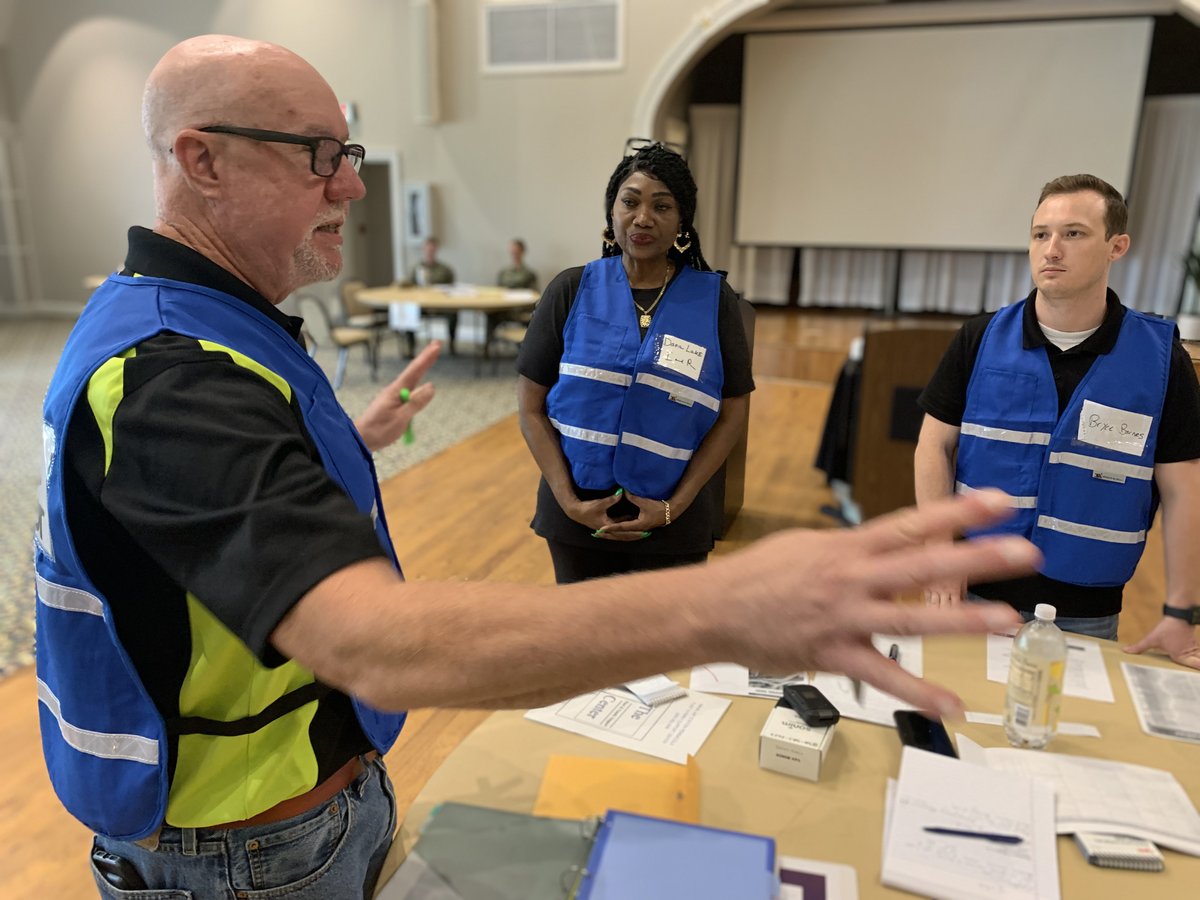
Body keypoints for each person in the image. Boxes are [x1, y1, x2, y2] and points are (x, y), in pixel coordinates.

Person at [36, 36, 1038, 899]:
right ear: (200, 160)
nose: (349, 184)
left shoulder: (202, 326)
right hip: (243, 846)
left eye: (349, 153)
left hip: (298, 805)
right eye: (318, 156)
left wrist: (342, 438)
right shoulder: (167, 371)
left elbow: (195, 514)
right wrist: (732, 603)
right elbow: (376, 646)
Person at [915, 174, 1200, 667]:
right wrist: (941, 557)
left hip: (1086, 610)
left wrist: (1181, 610)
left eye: (1073, 233)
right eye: (1040, 234)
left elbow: (1184, 490)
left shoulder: (1160, 362)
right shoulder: (979, 338)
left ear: (1117, 246)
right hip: (973, 592)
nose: (1052, 249)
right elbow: (933, 448)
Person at [516, 144, 754, 583]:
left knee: (666, 647)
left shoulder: (714, 300)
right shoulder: (570, 290)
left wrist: (674, 507)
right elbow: (531, 405)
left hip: (673, 518)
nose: (642, 217)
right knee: (582, 639)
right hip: (578, 514)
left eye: (662, 206)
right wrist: (569, 502)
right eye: (630, 202)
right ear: (612, 213)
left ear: (681, 221)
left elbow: (733, 408)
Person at [408, 235, 457, 352]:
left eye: (432, 248)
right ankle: (410, 346)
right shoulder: (416, 268)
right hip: (421, 305)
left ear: (436, 249)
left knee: (454, 313)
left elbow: (452, 289)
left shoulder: (445, 269)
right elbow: (411, 287)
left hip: (441, 305)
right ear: (423, 249)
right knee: (409, 312)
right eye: (427, 248)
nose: (429, 251)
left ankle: (452, 343)